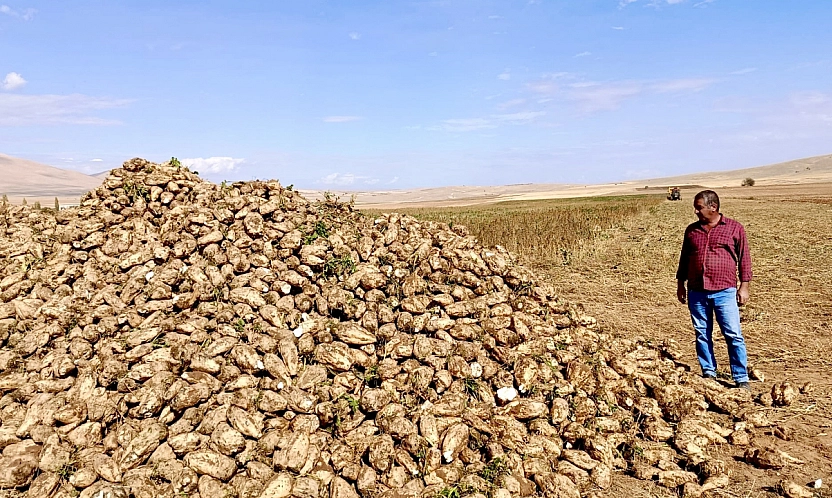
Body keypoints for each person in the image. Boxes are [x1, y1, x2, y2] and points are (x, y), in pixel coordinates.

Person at [676, 190, 752, 389]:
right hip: (696, 291)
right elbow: (684, 259)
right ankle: (708, 373)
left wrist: (744, 286)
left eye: (699, 207)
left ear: (713, 207)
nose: (696, 211)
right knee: (702, 333)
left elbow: (744, 258)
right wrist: (680, 284)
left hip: (724, 290)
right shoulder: (692, 231)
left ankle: (741, 377)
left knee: (733, 334)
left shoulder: (735, 228)